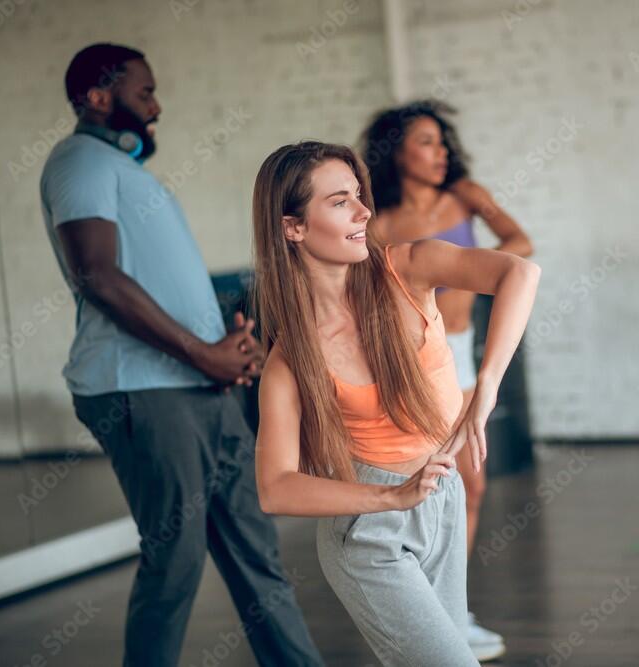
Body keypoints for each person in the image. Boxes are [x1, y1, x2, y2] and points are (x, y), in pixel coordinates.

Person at [39, 43, 323, 667]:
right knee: (176, 560)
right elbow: (97, 275)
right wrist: (203, 354)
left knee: (257, 553)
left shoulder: (128, 174)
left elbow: (155, 277)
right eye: (145, 94)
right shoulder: (78, 163)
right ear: (97, 97)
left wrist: (228, 344)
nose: (157, 106)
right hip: (142, 389)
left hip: (203, 388)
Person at [251, 141, 540, 667]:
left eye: (360, 196)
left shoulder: (408, 267)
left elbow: (519, 273)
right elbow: (275, 488)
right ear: (292, 227)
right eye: (340, 202)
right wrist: (391, 499)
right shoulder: (290, 360)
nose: (364, 211)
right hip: (369, 532)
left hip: (440, 496)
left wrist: (486, 391)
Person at [360, 101, 533, 661]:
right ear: (397, 151)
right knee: (430, 483)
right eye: (426, 142)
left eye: (442, 142)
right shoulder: (381, 223)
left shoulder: (465, 196)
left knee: (470, 483)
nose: (440, 153)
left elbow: (520, 243)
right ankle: (434, 611)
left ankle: (454, 609)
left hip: (459, 350)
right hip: (415, 361)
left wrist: (458, 278)